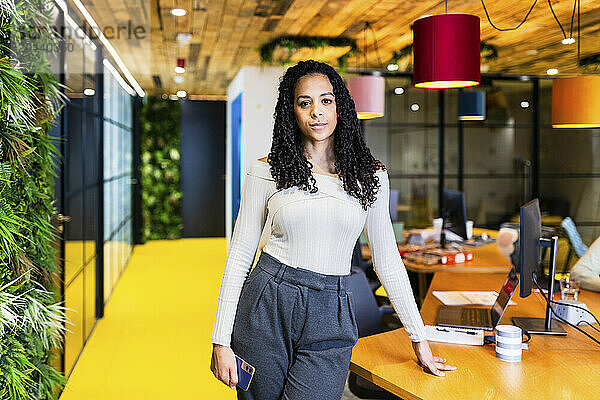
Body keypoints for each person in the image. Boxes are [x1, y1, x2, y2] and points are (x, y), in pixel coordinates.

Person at [210, 60, 456, 399]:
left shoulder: (370, 176)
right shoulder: (266, 171)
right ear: (291, 111)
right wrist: (220, 339)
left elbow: (387, 260)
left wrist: (419, 337)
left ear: (340, 106)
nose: (317, 112)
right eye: (304, 102)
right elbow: (239, 256)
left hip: (333, 307)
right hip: (268, 303)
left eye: (326, 100)